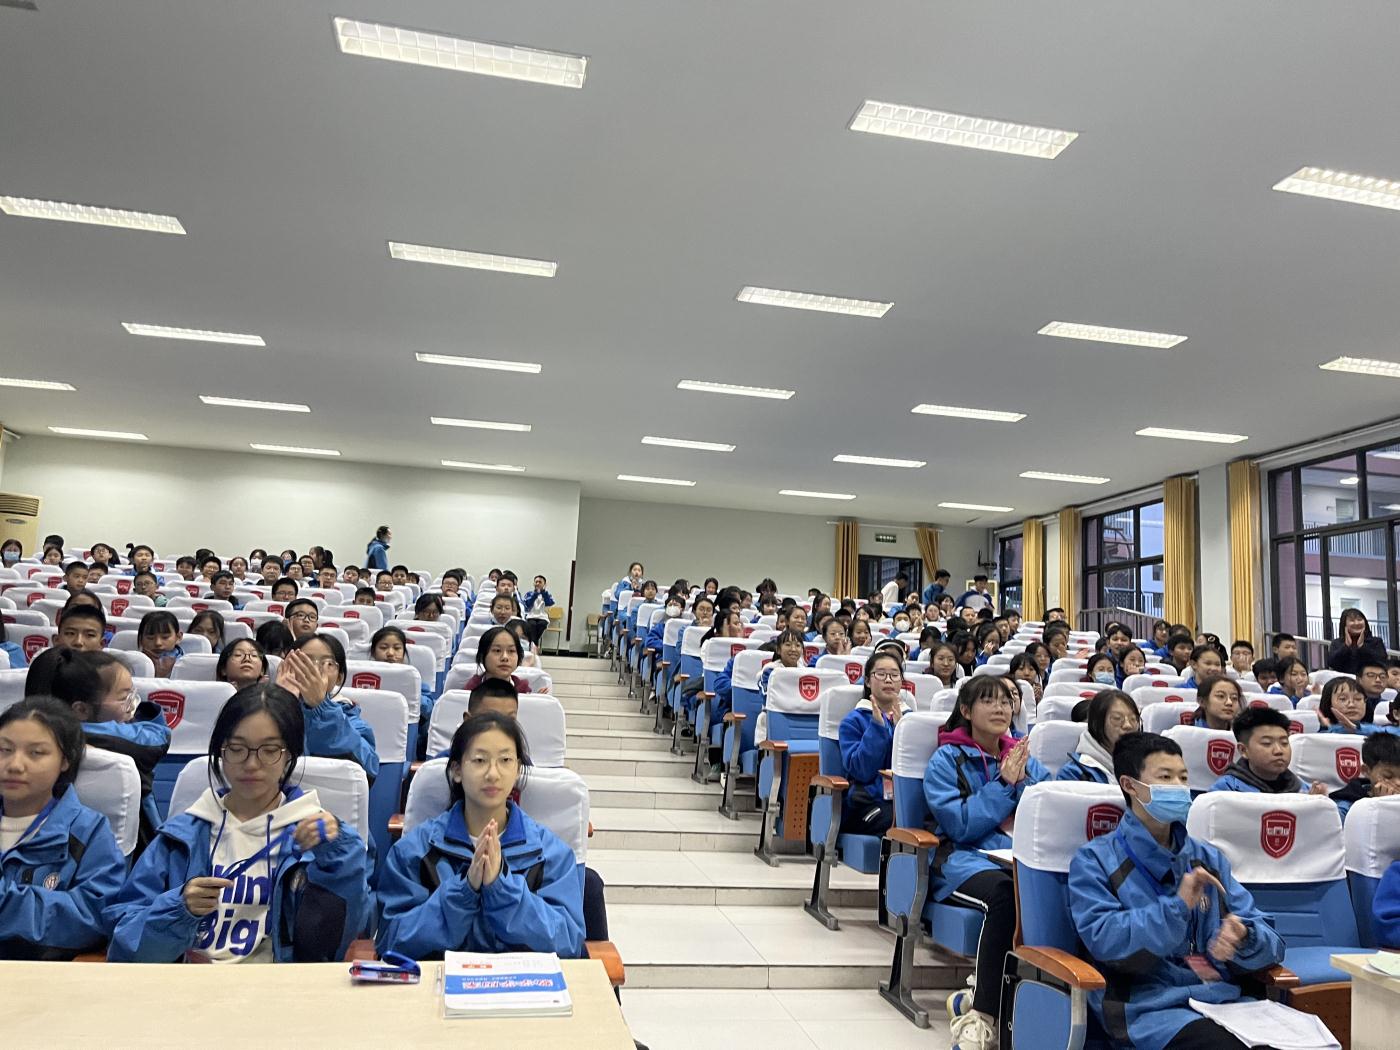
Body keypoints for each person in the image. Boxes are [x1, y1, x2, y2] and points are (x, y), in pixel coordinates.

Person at [104, 684, 371, 963]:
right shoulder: (182, 836)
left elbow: (332, 944)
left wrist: (337, 861)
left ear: (289, 755)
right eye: (236, 748)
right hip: (186, 982)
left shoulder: (319, 839)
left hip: (278, 985)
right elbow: (124, 941)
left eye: (269, 750)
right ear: (221, 751)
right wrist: (178, 910)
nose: (251, 763)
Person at [1068, 732, 1287, 1050]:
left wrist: (1244, 936)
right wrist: (1178, 907)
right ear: (1130, 785)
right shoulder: (1095, 860)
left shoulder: (1207, 857)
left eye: (1183, 777)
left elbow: (1266, 934)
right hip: (1146, 1007)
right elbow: (1107, 941)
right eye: (1165, 777)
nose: (1179, 787)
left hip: (1220, 1001)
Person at [375, 712, 584, 959]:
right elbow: (391, 941)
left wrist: (501, 888)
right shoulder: (413, 851)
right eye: (480, 760)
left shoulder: (550, 854)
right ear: (457, 770)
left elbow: (569, 942)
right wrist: (464, 892)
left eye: (505, 760)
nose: (493, 773)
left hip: (523, 982)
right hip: (437, 981)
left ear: (517, 769)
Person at [924, 676, 1049, 1047]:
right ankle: (981, 1016)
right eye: (989, 701)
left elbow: (1045, 811)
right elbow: (960, 825)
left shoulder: (1023, 757)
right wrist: (1004, 784)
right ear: (966, 710)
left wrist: (1021, 781)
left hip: (1017, 858)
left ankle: (997, 998)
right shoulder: (946, 759)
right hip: (962, 861)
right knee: (1006, 895)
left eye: (1006, 702)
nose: (1000, 708)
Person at [0, 696, 127, 960]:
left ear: (65, 760)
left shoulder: (88, 831)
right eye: (4, 749)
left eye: (36, 753)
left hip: (45, 975)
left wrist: (7, 902)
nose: (14, 765)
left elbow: (94, 917)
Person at [277, 637, 379, 778]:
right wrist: (281, 705)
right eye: (305, 661)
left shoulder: (350, 717)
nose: (314, 669)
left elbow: (369, 769)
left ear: (339, 677)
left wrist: (321, 708)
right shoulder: (266, 704)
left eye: (328, 663)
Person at [837, 649, 910, 836]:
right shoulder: (853, 721)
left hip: (904, 798)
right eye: (881, 674)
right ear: (868, 681)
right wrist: (877, 728)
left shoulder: (911, 720)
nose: (888, 680)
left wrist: (901, 729)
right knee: (897, 822)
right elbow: (861, 771)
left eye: (894, 675)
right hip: (866, 803)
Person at [1210, 708, 1328, 795]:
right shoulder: (1225, 790)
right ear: (1244, 750)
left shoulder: (1303, 790)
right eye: (1267, 743)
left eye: (1284, 743)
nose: (1279, 751)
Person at [1058, 689, 1140, 784]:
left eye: (1133, 719)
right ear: (1097, 724)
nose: (1128, 725)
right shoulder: (1073, 774)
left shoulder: (1146, 765)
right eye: (1117, 718)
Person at [371, 624, 436, 729]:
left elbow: (428, 710)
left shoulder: (413, 680)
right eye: (383, 648)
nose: (390, 653)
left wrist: (409, 692)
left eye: (397, 648)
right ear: (373, 652)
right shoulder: (364, 677)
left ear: (403, 653)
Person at [1331, 732, 1400, 821]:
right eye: (1388, 776)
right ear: (1366, 771)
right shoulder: (1347, 807)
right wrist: (1382, 806)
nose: (1398, 783)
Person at [460, 626, 536, 695]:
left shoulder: (524, 691)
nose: (505, 657)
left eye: (511, 651)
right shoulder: (471, 692)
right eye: (497, 650)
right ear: (482, 656)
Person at [1316, 675, 1391, 735]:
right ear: (1328, 703)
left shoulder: (1378, 731)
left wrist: (1356, 730)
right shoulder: (1319, 736)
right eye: (1343, 699)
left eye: (1358, 699)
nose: (1351, 705)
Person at [1327, 608, 1389, 677]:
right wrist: (1346, 647)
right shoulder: (1337, 643)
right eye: (1352, 620)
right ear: (1344, 625)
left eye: (1359, 620)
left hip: (1369, 680)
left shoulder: (1376, 641)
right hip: (1345, 680)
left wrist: (1362, 647)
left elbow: (1382, 661)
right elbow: (1332, 663)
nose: (1357, 623)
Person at [136, 610, 184, 678]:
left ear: (178, 637)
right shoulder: (132, 663)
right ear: (141, 639)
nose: (158, 643)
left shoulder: (186, 664)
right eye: (150, 638)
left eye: (165, 637)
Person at [519, 575, 555, 646]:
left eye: (540, 582)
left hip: (543, 617)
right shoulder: (529, 594)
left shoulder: (547, 594)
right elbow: (527, 605)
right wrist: (535, 595)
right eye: (536, 582)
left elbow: (549, 603)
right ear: (534, 583)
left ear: (544, 584)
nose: (538, 583)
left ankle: (533, 644)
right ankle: (535, 645)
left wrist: (543, 593)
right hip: (531, 616)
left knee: (542, 624)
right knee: (532, 625)